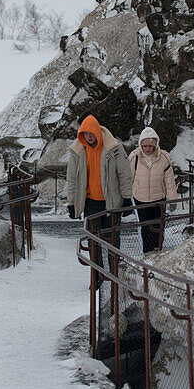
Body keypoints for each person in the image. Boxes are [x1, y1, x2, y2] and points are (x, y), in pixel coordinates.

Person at [66, 114, 132, 278]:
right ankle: (97, 277)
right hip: (90, 204)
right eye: (85, 134)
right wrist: (72, 203)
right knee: (93, 242)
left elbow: (124, 173)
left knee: (112, 241)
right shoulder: (78, 151)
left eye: (90, 133)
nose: (88, 137)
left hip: (112, 203)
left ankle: (114, 276)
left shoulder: (113, 147)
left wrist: (127, 198)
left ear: (97, 131)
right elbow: (72, 178)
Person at [128, 127, 178, 254]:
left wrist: (173, 200)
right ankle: (147, 254)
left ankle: (158, 251)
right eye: (145, 146)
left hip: (158, 199)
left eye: (151, 146)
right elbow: (128, 179)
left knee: (159, 227)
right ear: (141, 145)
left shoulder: (164, 158)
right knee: (145, 229)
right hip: (141, 199)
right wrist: (126, 199)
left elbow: (169, 181)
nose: (148, 149)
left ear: (156, 145)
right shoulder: (134, 158)